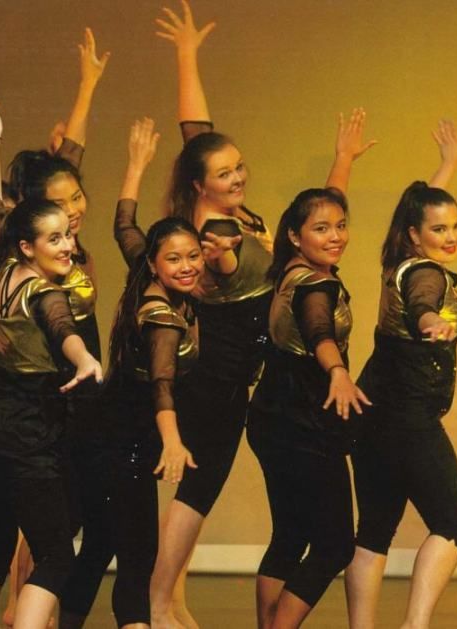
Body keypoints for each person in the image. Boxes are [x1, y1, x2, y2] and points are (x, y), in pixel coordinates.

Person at [149, 3, 375, 626]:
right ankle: (158, 602)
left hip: (241, 379)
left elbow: (197, 132)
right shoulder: (214, 236)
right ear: (200, 185)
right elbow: (298, 256)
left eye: (239, 166)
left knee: (203, 490)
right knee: (199, 488)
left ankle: (170, 599)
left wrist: (187, 55)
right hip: (218, 380)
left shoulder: (224, 208)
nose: (238, 176)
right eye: (225, 173)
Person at [60, 117, 202, 629]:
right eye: (175, 259)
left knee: (100, 543)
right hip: (126, 442)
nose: (187, 266)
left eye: (193, 255)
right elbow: (161, 385)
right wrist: (172, 442)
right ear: (157, 264)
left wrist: (136, 166)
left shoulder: (148, 272)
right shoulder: (162, 318)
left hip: (103, 433)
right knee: (138, 557)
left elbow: (124, 224)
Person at [344, 121, 457, 629]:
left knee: (374, 530)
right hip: (408, 421)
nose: (452, 236)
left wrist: (448, 166)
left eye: (456, 226)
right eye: (439, 230)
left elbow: (419, 211)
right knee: (454, 523)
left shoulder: (398, 258)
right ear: (416, 236)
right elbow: (422, 302)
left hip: (372, 415)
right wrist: (429, 321)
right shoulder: (424, 273)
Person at [0, 199, 102, 629]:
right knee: (57, 557)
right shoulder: (44, 292)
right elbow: (62, 326)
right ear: (26, 246)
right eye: (54, 239)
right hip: (22, 440)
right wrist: (84, 358)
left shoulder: (5, 273)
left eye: (68, 235)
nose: (68, 246)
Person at [246, 187, 369, 629]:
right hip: (305, 425)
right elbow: (319, 329)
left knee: (290, 535)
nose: (335, 236)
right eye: (321, 229)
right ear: (296, 236)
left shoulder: (290, 270)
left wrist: (344, 160)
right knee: (335, 546)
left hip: (271, 418)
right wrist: (337, 370)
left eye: (340, 226)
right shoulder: (317, 284)